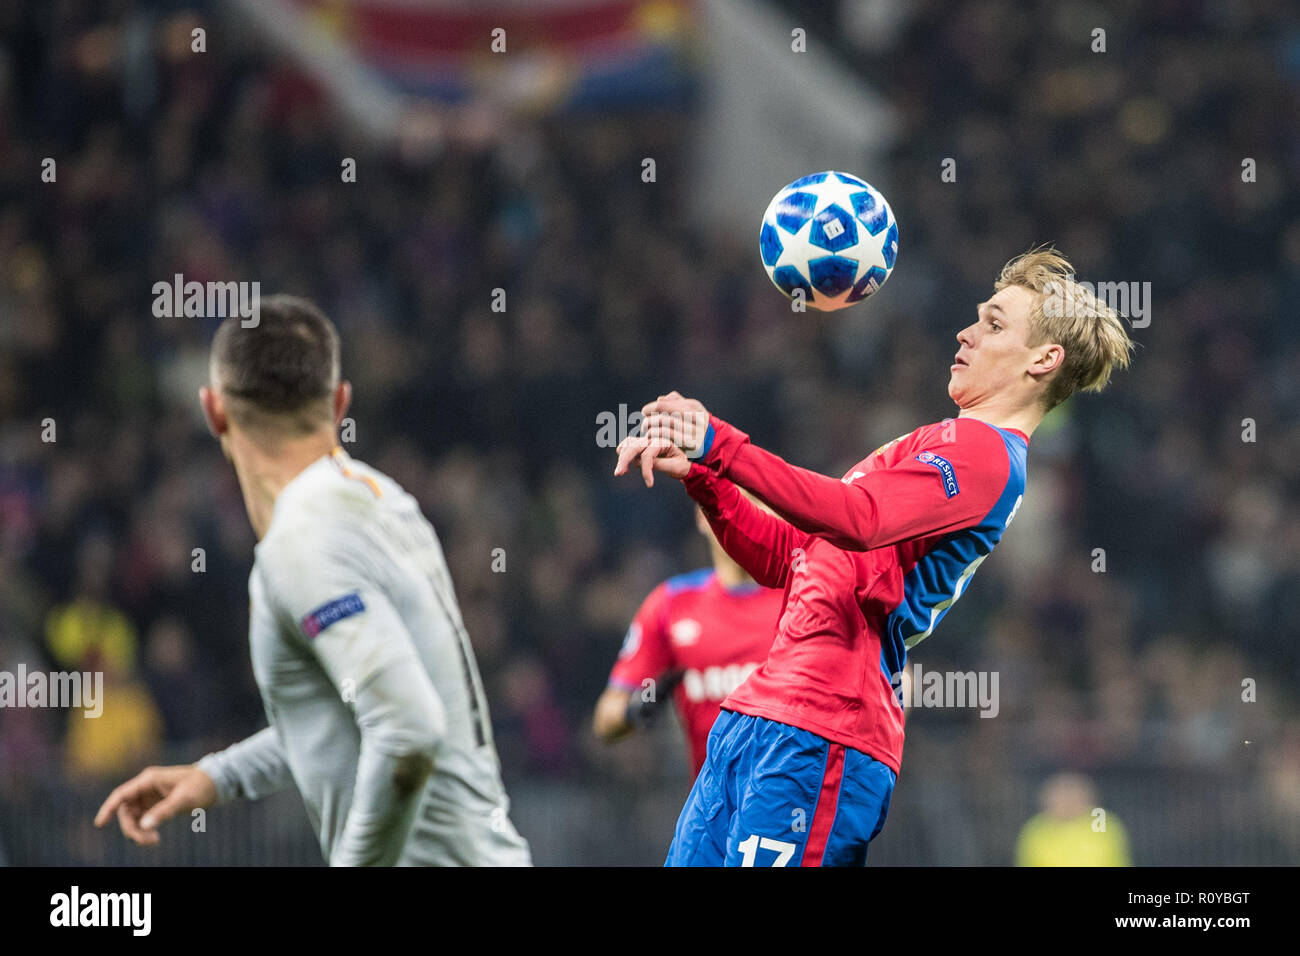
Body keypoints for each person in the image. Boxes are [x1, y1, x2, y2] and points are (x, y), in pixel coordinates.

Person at [614, 249, 1133, 866]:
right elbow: (791, 559)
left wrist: (720, 443)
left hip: (823, 729)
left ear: (1044, 361)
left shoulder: (987, 454)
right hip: (762, 711)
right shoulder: (934, 443)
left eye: (994, 324)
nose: (966, 333)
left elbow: (856, 519)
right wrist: (707, 478)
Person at [95, 295, 531, 866]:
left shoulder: (303, 540)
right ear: (341, 401)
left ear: (214, 411)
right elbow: (357, 711)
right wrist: (215, 776)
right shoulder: (390, 505)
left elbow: (408, 727)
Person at [593, 503, 784, 780]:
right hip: (715, 812)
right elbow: (605, 720)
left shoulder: (804, 598)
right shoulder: (671, 606)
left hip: (793, 805)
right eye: (732, 501)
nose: (742, 516)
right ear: (702, 516)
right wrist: (637, 709)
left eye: (755, 504)